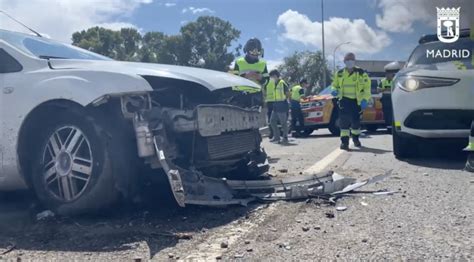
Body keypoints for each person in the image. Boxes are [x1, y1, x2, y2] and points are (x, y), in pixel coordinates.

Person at [331, 52, 371, 150]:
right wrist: (333, 90)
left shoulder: (361, 73)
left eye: (352, 59)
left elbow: (367, 88)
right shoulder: (339, 73)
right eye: (348, 60)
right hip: (344, 101)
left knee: (355, 123)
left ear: (354, 61)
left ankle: (355, 139)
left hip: (356, 102)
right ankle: (344, 143)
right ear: (344, 61)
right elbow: (334, 85)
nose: (350, 61)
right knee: (343, 123)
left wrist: (365, 99)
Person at [268, 69, 290, 144]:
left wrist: (284, 100)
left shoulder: (282, 83)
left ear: (275, 75)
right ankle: (276, 137)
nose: (271, 78)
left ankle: (285, 137)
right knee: (272, 121)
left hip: (282, 104)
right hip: (275, 104)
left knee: (283, 122)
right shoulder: (274, 83)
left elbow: (287, 93)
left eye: (271, 76)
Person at [378, 61, 401, 131]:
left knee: (397, 114)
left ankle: (398, 127)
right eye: (386, 73)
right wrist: (386, 89)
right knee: (387, 115)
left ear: (392, 74)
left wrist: (385, 89)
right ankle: (389, 129)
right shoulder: (383, 81)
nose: (387, 75)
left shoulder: (397, 80)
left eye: (388, 74)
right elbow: (378, 90)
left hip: (395, 99)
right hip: (386, 100)